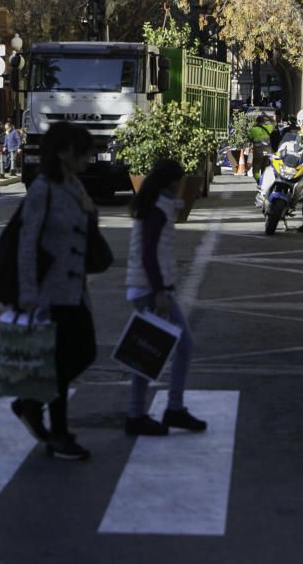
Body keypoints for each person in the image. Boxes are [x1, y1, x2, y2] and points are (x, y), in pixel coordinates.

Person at [14, 122, 99, 461]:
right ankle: (58, 432)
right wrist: (28, 293)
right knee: (65, 359)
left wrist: (88, 208)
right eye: (83, 151)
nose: (89, 158)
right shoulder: (42, 189)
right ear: (64, 152)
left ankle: (31, 403)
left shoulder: (72, 184)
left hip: (75, 288)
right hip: (50, 292)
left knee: (84, 353)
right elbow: (26, 243)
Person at [123, 158, 207, 437]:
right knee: (153, 350)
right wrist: (160, 291)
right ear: (170, 182)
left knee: (152, 349)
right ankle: (153, 411)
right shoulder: (157, 210)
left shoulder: (157, 205)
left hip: (148, 287)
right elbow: (149, 255)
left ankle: (165, 408)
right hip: (150, 289)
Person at [249, 114, 274, 181]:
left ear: (257, 121)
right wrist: (268, 116)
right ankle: (264, 183)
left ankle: (260, 182)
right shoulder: (269, 127)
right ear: (264, 121)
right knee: (265, 170)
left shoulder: (253, 129)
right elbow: (274, 122)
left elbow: (250, 139)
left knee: (255, 171)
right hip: (268, 152)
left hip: (258, 153)